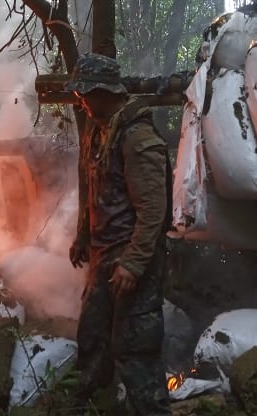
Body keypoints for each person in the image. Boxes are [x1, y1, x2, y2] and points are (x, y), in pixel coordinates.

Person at [66, 52, 172, 415]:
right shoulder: (97, 128)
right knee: (93, 337)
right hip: (103, 254)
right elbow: (92, 186)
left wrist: (134, 263)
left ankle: (151, 410)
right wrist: (83, 235)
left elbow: (154, 210)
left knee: (135, 347)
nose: (80, 100)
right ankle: (96, 403)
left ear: (103, 90)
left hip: (131, 257)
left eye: (85, 93)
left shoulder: (137, 137)